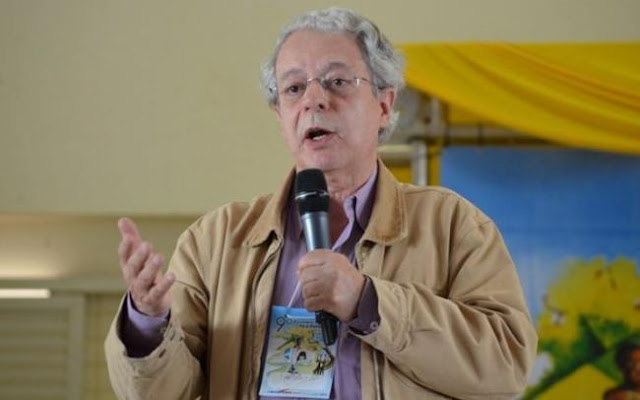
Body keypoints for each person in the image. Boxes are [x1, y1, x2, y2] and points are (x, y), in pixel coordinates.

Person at [105, 7, 537, 400]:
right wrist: (146, 323)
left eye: (337, 82)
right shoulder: (215, 240)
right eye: (294, 88)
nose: (314, 100)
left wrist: (368, 302)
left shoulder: (453, 226)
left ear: (384, 105)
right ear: (281, 118)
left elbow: (507, 367)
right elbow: (158, 394)